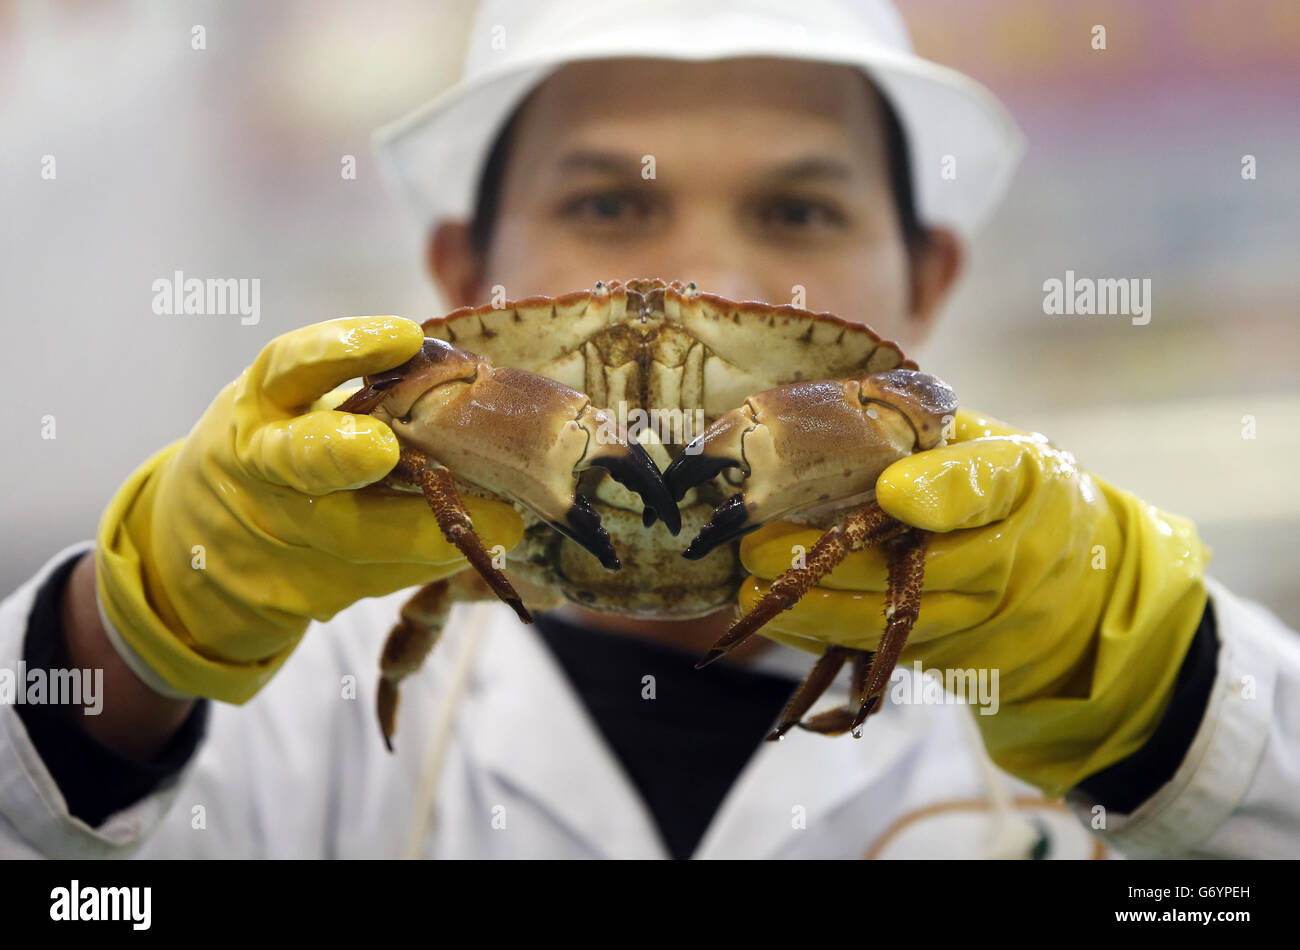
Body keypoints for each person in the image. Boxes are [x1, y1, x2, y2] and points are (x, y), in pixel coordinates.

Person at [2, 0, 1296, 859]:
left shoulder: (1074, 673)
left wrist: (1167, 693)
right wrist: (122, 646)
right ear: (462, 278)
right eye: (610, 208)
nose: (705, 280)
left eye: (795, 214)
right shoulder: (297, 707)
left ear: (928, 284)